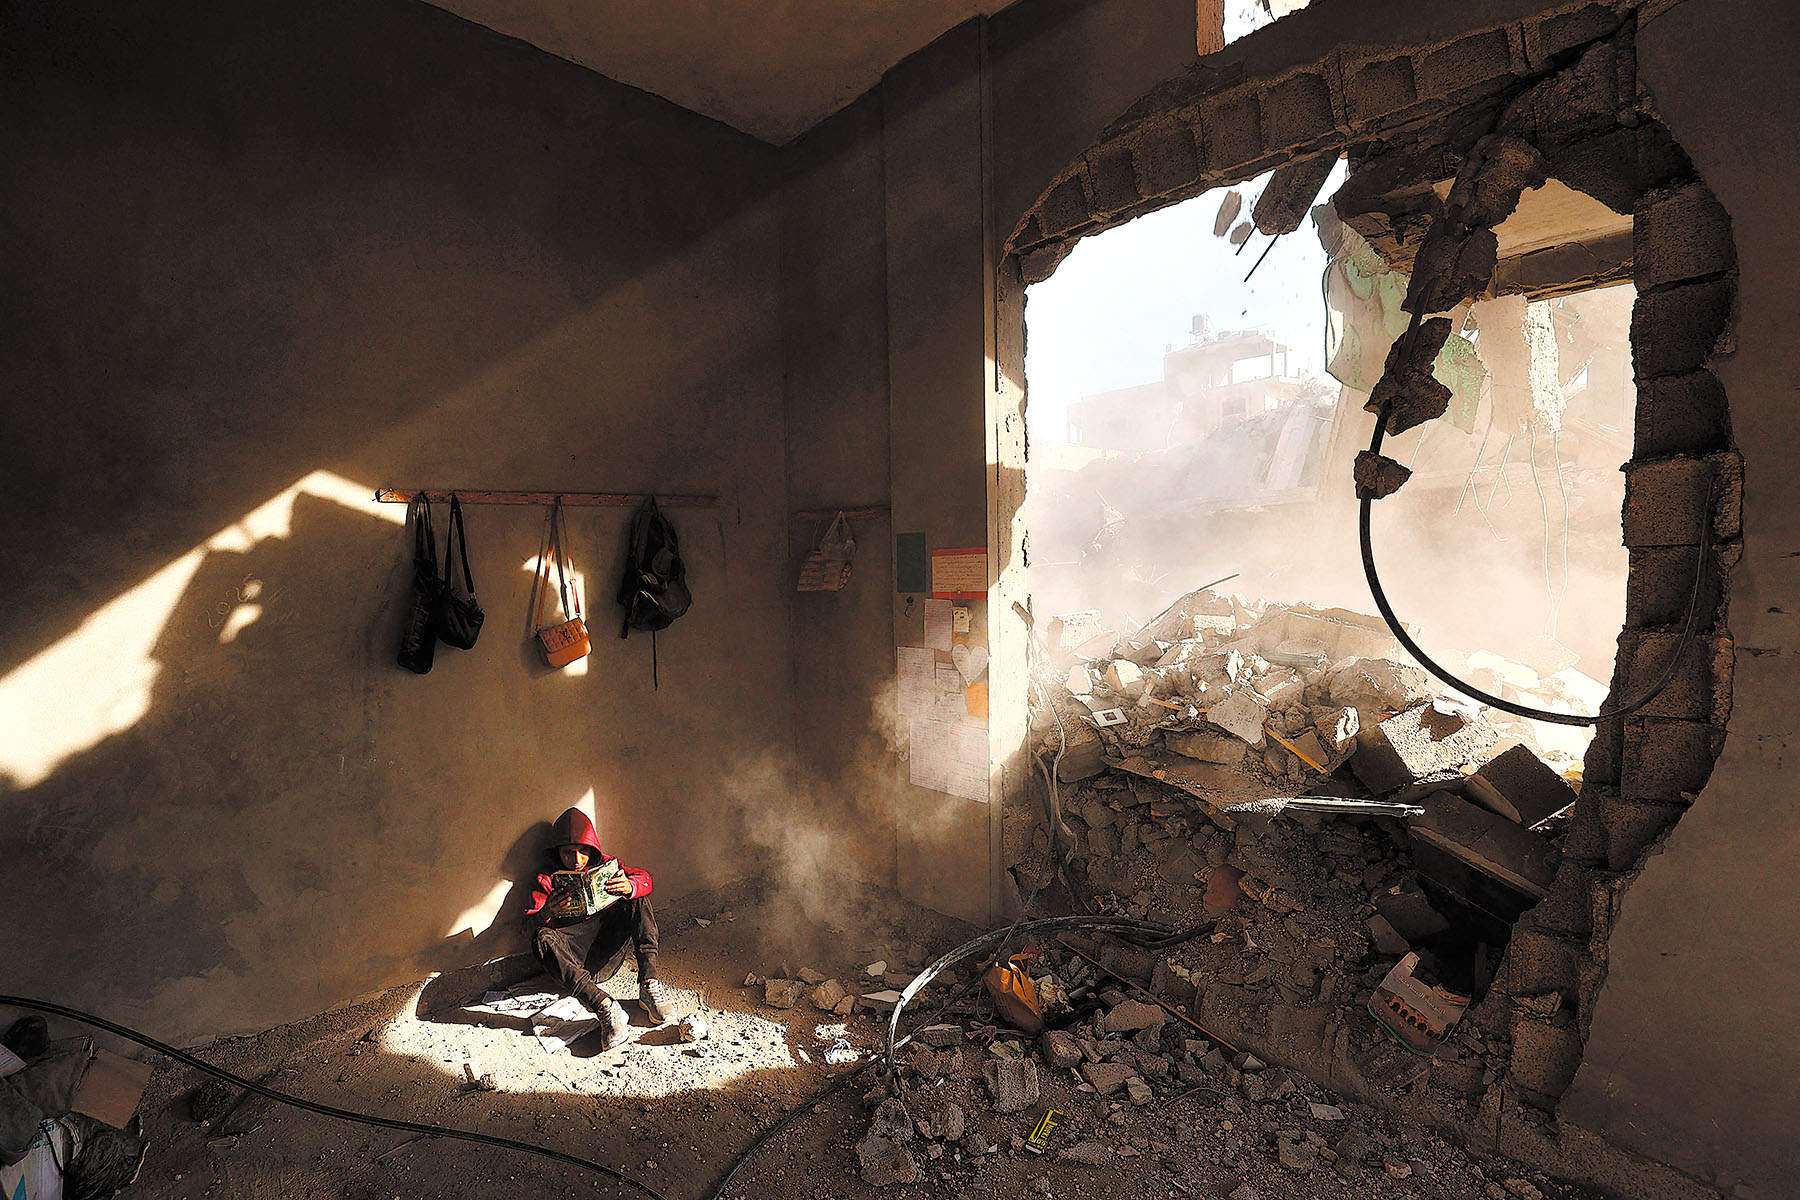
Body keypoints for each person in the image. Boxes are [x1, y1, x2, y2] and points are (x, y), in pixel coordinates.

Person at [524, 807, 671, 1050]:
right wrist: (547, 911)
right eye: (568, 852)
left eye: (583, 851)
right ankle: (604, 1005)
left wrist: (630, 886)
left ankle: (649, 983)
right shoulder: (547, 880)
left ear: (593, 849)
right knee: (541, 938)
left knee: (638, 899)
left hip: (607, 952)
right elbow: (527, 928)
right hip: (574, 965)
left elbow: (645, 880)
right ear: (557, 852)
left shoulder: (608, 866)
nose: (577, 860)